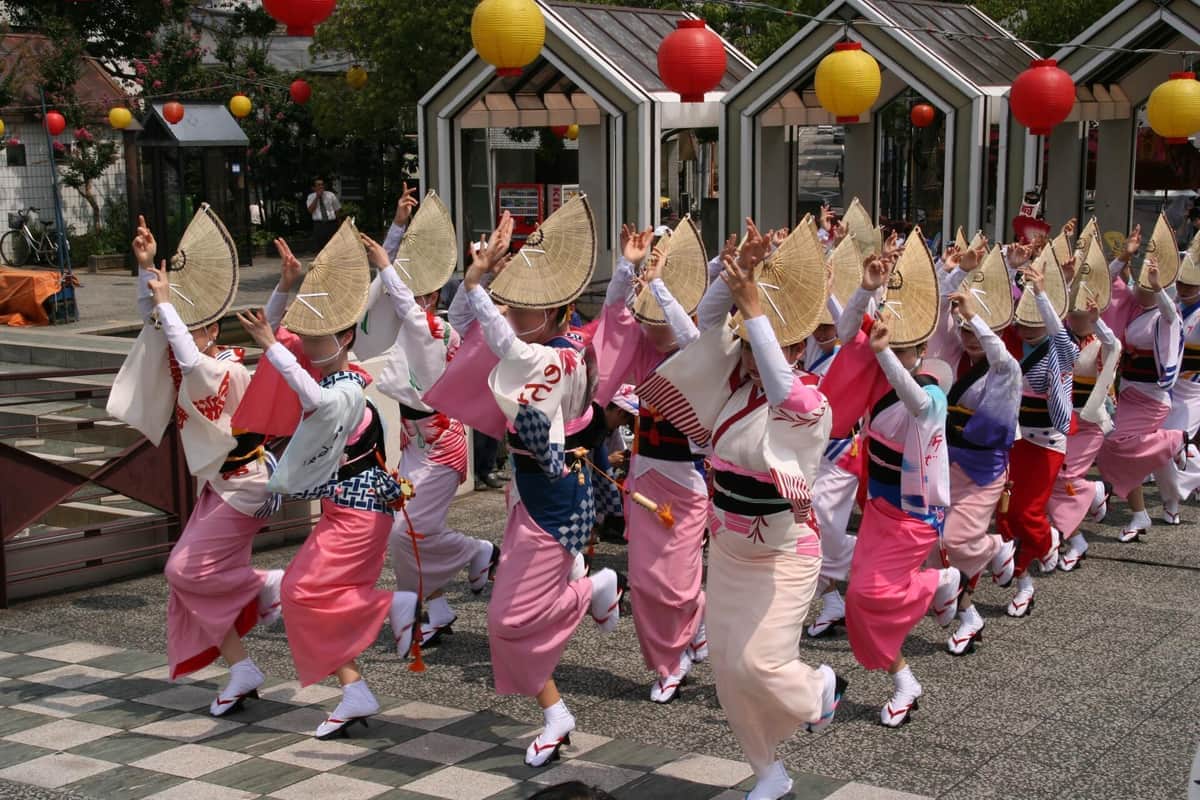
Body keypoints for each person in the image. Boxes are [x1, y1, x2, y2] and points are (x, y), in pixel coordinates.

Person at [641, 220, 846, 800]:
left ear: (798, 348)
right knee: (729, 676)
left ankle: (819, 686)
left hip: (784, 553)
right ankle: (768, 773)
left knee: (759, 665)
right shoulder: (730, 388)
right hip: (729, 550)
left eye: (771, 346)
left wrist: (755, 308)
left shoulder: (809, 400)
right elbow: (706, 326)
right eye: (754, 344)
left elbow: (783, 389)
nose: (755, 356)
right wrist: (732, 278)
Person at [448, 203, 623, 768]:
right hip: (534, 492)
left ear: (561, 313)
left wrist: (478, 283)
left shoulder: (560, 357)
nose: (517, 315)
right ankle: (554, 712)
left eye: (530, 309)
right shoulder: (563, 349)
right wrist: (484, 281)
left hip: (555, 504)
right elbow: (473, 329)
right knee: (511, 621)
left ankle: (595, 588)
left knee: (509, 619)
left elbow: (506, 345)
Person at [238, 225, 419, 739]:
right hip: (351, 509)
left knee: (302, 592)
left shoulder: (345, 388)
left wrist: (273, 347)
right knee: (317, 600)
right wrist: (285, 286)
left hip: (359, 513)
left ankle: (393, 608)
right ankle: (354, 688)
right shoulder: (328, 368)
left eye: (317, 336)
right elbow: (270, 328)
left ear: (342, 337)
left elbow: (314, 399)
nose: (306, 343)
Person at [109, 212, 283, 716]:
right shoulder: (202, 355)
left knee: (181, 569)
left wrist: (166, 304)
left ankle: (266, 584)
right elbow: (160, 331)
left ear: (206, 324)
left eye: (183, 320)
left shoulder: (226, 367)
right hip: (222, 487)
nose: (172, 328)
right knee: (185, 585)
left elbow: (189, 360)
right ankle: (242, 666)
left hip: (246, 485)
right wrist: (147, 271)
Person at [358, 185, 497, 650]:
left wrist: (386, 262)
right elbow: (382, 293)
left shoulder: (433, 327)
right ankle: (437, 606)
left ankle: (479, 551)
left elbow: (396, 292)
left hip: (442, 444)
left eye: (418, 291)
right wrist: (396, 230)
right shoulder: (430, 321)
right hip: (415, 443)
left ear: (431, 293)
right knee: (411, 532)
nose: (407, 297)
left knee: (407, 531)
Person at [839, 239, 961, 727]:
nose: (898, 348)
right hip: (879, 510)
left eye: (910, 345)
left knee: (871, 594)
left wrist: (889, 356)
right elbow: (845, 332)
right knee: (858, 601)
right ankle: (903, 679)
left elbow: (917, 403)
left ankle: (938, 579)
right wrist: (866, 290)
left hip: (916, 515)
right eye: (895, 341)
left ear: (923, 347)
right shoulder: (877, 366)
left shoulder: (932, 390)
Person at [588, 221, 710, 704]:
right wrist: (628, 266)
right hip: (644, 473)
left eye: (662, 317)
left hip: (688, 478)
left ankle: (691, 619)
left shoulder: (702, 355)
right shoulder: (642, 348)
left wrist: (658, 284)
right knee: (642, 581)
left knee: (677, 584)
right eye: (649, 317)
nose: (653, 327)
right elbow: (613, 318)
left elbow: (692, 340)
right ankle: (668, 662)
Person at [996, 250, 1078, 617]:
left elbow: (1063, 343)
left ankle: (1049, 541)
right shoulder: (1011, 341)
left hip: (1047, 441)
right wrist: (1011, 270)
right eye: (1023, 322)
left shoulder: (1060, 348)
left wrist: (1044, 296)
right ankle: (1023, 582)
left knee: (1028, 513)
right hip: (1014, 438)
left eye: (1035, 323)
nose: (1027, 329)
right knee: (1006, 515)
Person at [1096, 224, 1185, 540]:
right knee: (1118, 454)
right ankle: (1140, 513)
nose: (1138, 288)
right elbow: (1106, 282)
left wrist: (1158, 287)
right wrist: (1125, 255)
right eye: (1140, 284)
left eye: (1146, 287)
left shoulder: (1166, 313)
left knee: (1115, 444)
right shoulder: (1132, 305)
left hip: (1152, 399)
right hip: (1128, 391)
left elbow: (1171, 316)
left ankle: (1175, 439)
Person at [307, 177, 341, 251]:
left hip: (331, 224)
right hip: (319, 225)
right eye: (318, 185)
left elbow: (337, 210)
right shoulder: (311, 197)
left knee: (333, 247)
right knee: (320, 248)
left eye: (322, 184)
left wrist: (339, 224)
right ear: (314, 188)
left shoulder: (330, 195)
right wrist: (317, 197)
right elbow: (310, 210)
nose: (321, 186)